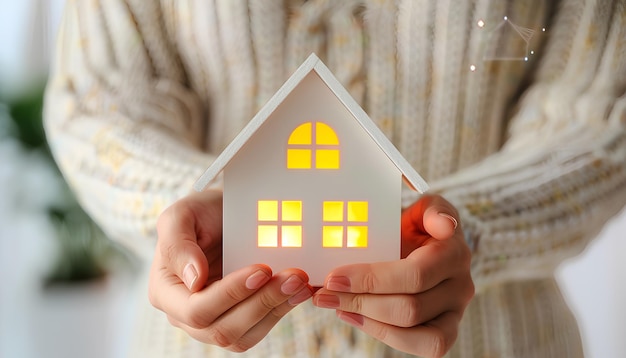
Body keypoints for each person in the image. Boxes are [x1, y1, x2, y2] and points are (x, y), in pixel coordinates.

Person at [43, 0, 626, 357]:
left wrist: (469, 231)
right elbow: (97, 103)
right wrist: (187, 214)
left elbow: (603, 115)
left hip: (503, 342)